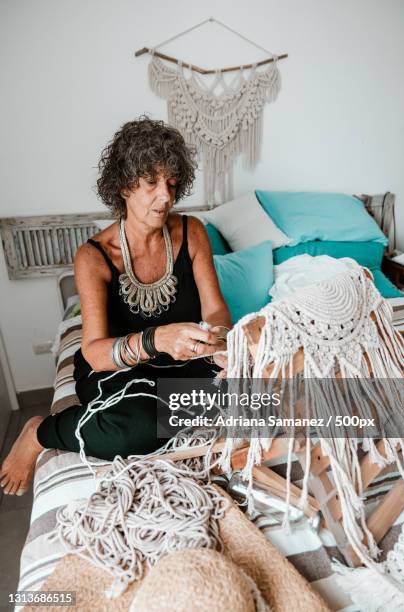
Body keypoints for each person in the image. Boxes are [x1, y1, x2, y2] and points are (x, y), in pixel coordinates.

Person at [0, 117, 231, 496]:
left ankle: (177, 406)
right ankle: (40, 431)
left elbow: (216, 311)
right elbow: (94, 352)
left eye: (172, 183)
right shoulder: (93, 257)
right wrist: (156, 340)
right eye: (152, 183)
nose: (166, 196)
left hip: (188, 359)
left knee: (264, 398)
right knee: (134, 427)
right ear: (124, 184)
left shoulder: (192, 233)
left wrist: (219, 338)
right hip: (118, 369)